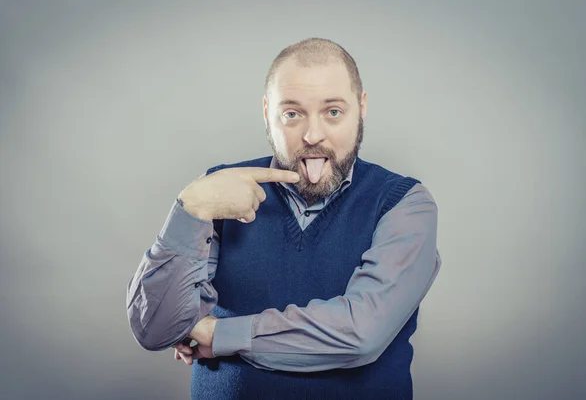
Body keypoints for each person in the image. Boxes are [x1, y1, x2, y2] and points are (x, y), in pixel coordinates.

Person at [126, 37, 442, 399]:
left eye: (333, 112)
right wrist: (190, 209)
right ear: (267, 113)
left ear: (362, 107)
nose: (312, 135)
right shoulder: (218, 190)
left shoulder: (404, 203)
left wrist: (218, 335)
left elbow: (359, 333)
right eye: (292, 114)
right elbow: (156, 328)